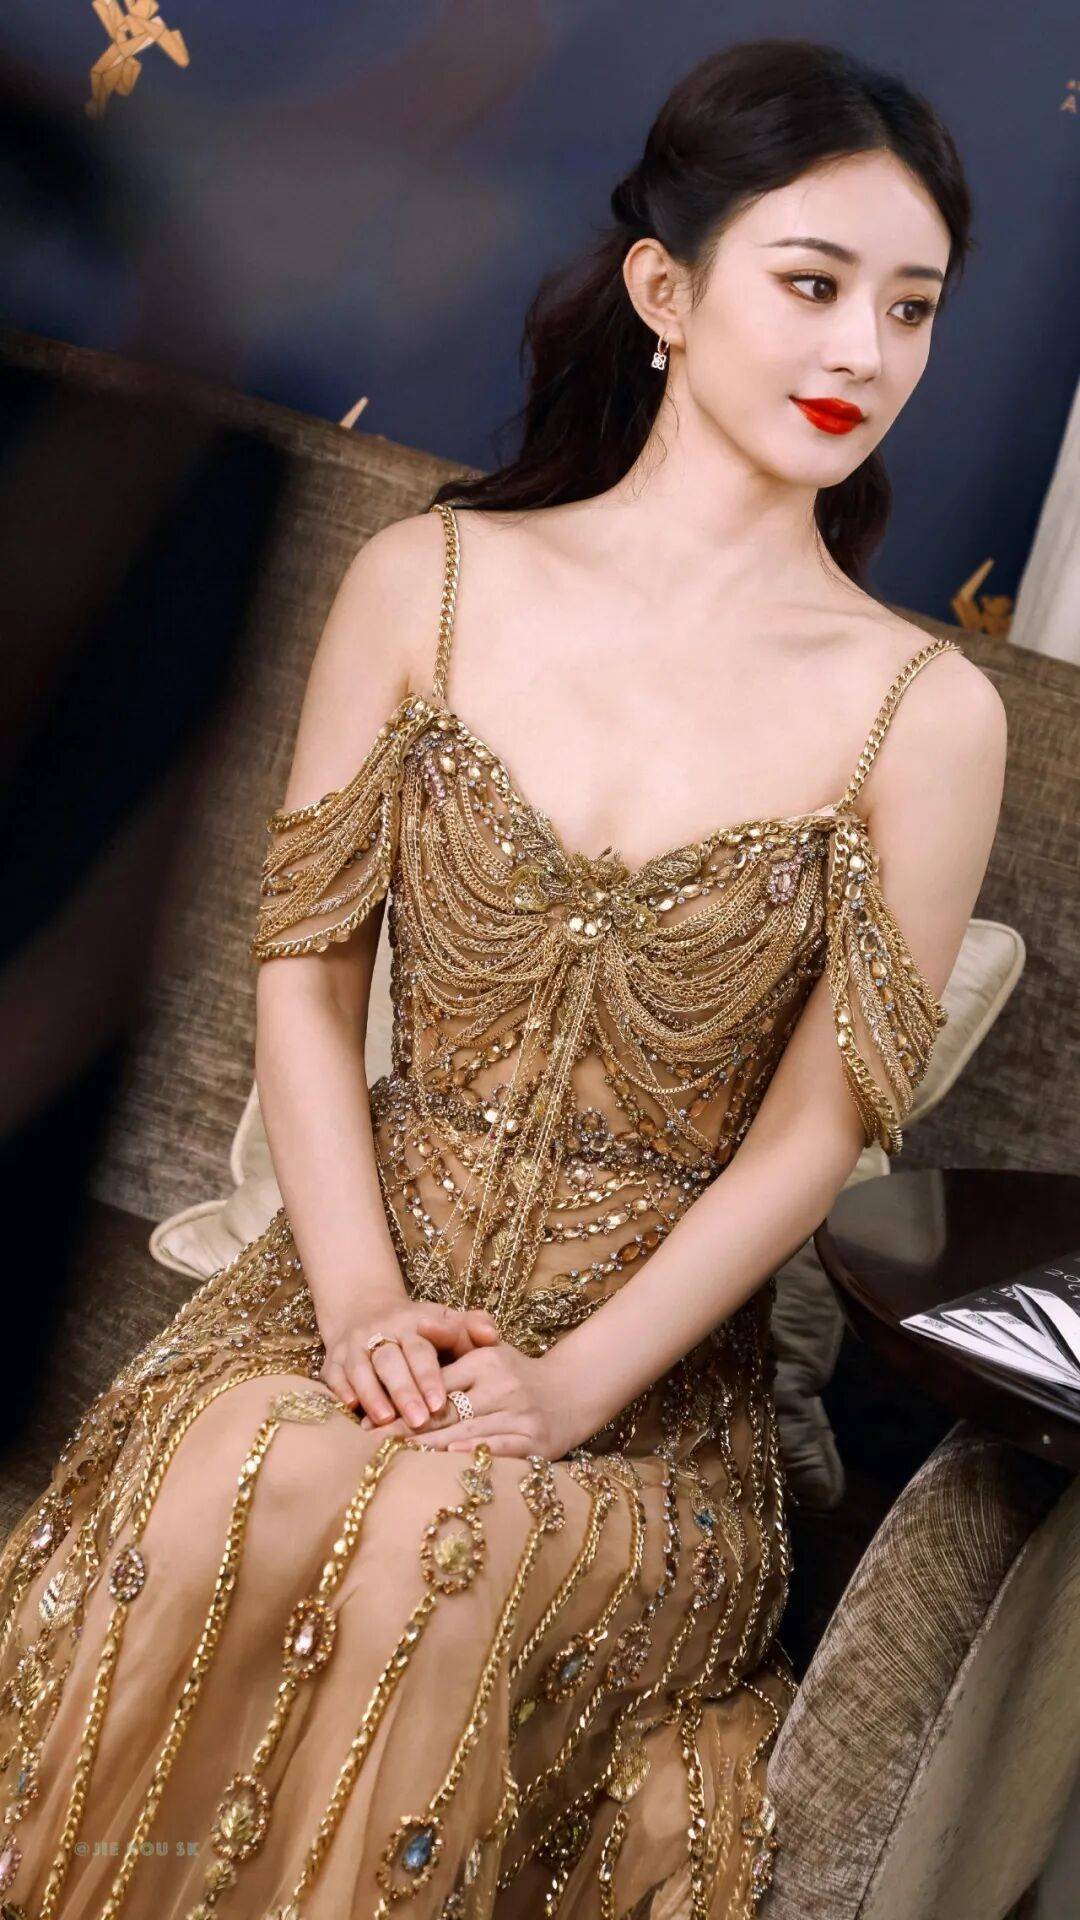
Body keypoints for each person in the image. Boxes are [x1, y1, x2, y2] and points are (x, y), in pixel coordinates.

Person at [0, 36, 1006, 1920]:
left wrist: (564, 1389)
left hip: (645, 1397)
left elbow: (813, 1138)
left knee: (434, 1552)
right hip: (338, 1296)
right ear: (664, 291)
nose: (864, 352)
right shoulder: (435, 581)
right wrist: (362, 1306)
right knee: (243, 1489)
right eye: (813, 284)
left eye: (912, 308)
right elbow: (306, 975)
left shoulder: (925, 716)